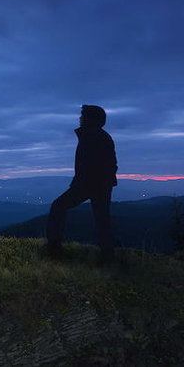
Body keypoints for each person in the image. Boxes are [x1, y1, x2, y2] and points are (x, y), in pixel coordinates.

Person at [46, 105, 118, 264]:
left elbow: (92, 165)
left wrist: (81, 183)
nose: (80, 119)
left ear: (91, 119)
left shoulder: (92, 137)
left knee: (58, 207)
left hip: (90, 184)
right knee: (102, 220)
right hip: (101, 184)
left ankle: (54, 249)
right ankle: (108, 256)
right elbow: (111, 164)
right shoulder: (99, 136)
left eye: (83, 116)